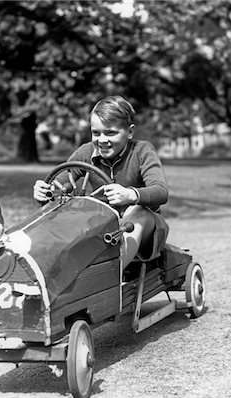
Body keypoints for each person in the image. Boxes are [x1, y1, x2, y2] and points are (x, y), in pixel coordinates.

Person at [33, 95, 169, 269]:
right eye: (96, 133)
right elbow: (61, 182)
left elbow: (161, 191)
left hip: (144, 232)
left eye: (110, 133)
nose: (102, 140)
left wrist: (130, 194)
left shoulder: (142, 151)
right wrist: (46, 192)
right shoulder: (86, 152)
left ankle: (111, 274)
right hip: (102, 228)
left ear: (130, 132)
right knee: (71, 213)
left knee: (137, 212)